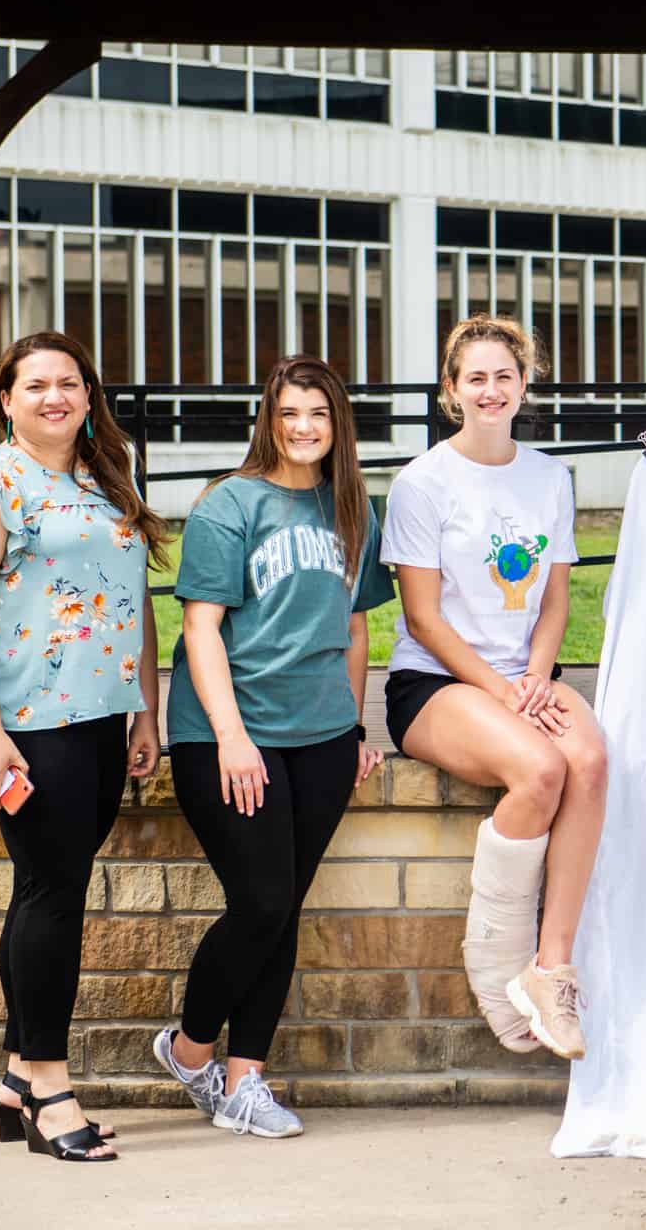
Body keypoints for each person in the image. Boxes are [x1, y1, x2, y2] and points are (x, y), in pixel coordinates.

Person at [0, 332, 166, 1163]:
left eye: (71, 383)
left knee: (46, 890)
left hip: (102, 719)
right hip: (31, 726)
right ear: (6, 398)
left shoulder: (102, 480)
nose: (56, 396)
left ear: (89, 395)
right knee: (55, 898)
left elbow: (133, 600)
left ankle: (17, 1077)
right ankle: (51, 1093)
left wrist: (145, 711)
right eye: (37, 385)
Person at [152, 356, 394, 1138]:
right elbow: (200, 628)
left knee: (282, 906)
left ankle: (246, 1078)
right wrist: (231, 737)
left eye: (318, 414)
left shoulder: (352, 507)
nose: (303, 427)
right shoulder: (231, 504)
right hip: (229, 734)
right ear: (269, 418)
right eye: (289, 413)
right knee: (259, 901)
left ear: (338, 422)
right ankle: (191, 1051)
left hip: (320, 736)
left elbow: (356, 630)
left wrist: (355, 728)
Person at [380, 315, 608, 1060]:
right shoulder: (422, 482)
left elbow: (555, 601)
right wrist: (507, 692)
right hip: (436, 681)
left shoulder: (548, 476)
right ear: (452, 390)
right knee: (540, 768)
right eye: (474, 378)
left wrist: (536, 676)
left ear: (523, 385)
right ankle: (493, 963)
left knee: (593, 760)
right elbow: (423, 615)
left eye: (503, 376)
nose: (490, 390)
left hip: (523, 679)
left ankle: (550, 970)